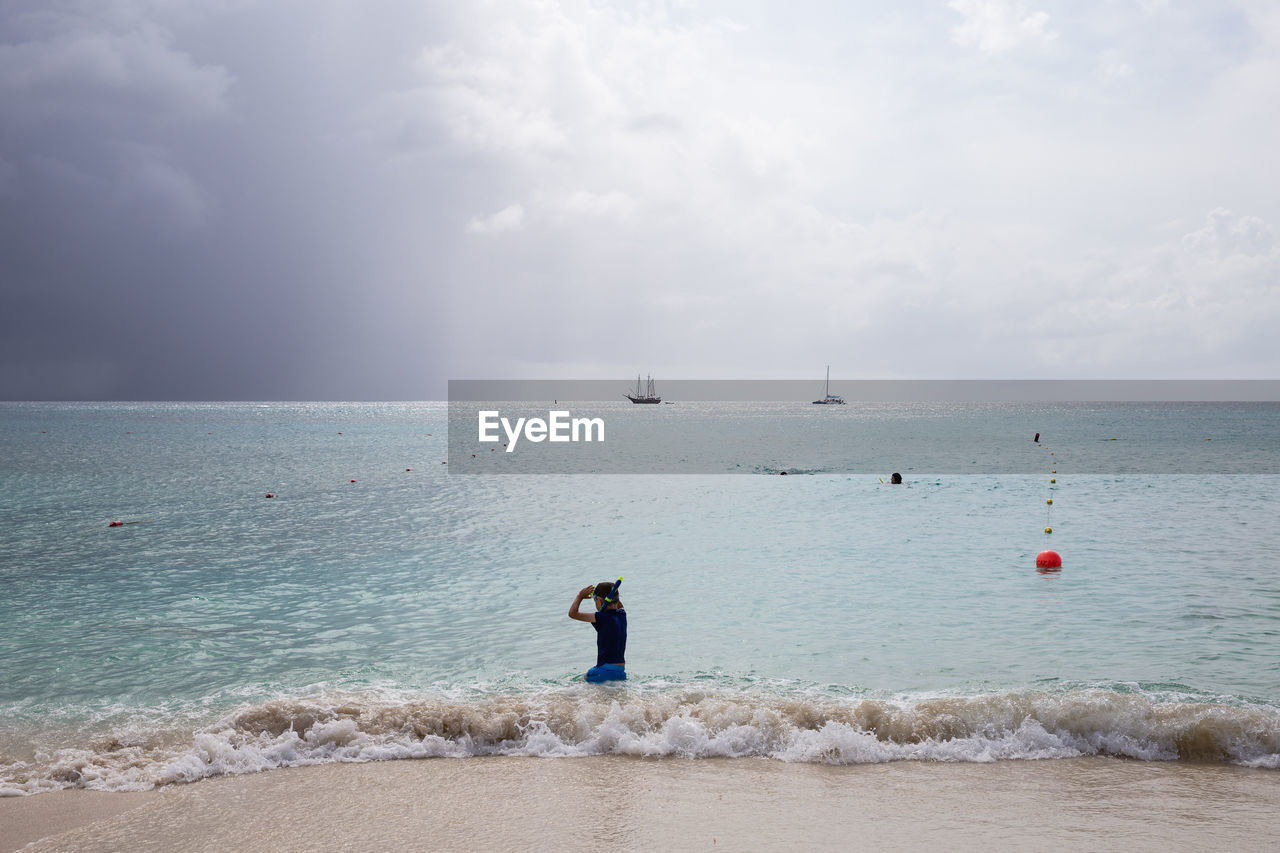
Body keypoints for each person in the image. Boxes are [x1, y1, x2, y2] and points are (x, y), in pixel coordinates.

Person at [569, 581, 627, 682]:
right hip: (620, 673)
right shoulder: (622, 614)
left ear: (599, 600)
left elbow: (572, 613)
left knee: (577, 684)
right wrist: (613, 592)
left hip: (603, 670)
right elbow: (619, 604)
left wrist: (580, 596)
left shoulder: (600, 617)